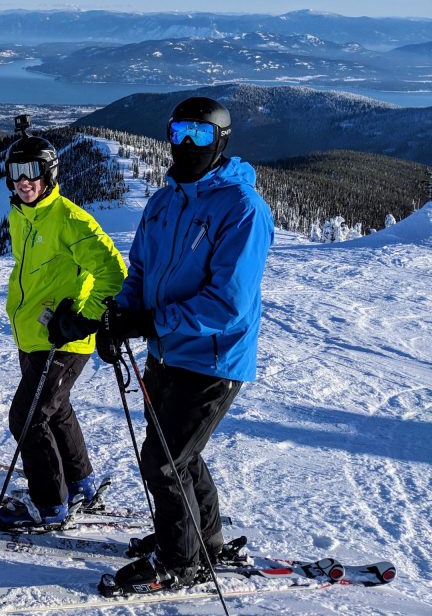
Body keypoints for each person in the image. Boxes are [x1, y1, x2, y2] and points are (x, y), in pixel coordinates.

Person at [96, 96, 274, 594]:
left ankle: (181, 560)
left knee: (165, 460)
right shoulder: (165, 199)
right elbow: (141, 271)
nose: (186, 146)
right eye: (178, 134)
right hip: (166, 351)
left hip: (215, 357)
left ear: (220, 141)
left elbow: (228, 304)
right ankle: (204, 539)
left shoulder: (242, 208)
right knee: (180, 454)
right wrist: (120, 316)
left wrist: (152, 322)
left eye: (199, 136)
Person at [0, 120, 128, 528]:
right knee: (55, 410)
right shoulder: (22, 215)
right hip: (35, 336)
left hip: (63, 341)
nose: (24, 182)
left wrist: (82, 319)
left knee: (27, 416)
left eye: (32, 172)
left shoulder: (70, 219)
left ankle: (50, 505)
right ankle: (80, 482)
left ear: (49, 174)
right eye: (16, 173)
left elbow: (114, 272)